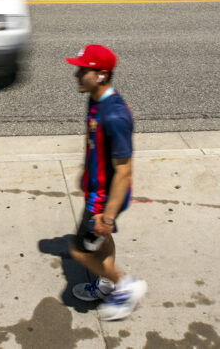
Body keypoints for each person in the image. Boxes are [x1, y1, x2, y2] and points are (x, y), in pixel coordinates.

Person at [65, 44, 147, 321]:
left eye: (83, 70)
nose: (77, 75)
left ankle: (125, 287)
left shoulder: (115, 116)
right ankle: (107, 284)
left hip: (102, 200)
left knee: (79, 252)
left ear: (101, 75)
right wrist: (86, 173)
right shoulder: (95, 99)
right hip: (97, 191)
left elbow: (124, 171)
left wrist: (107, 216)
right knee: (101, 242)